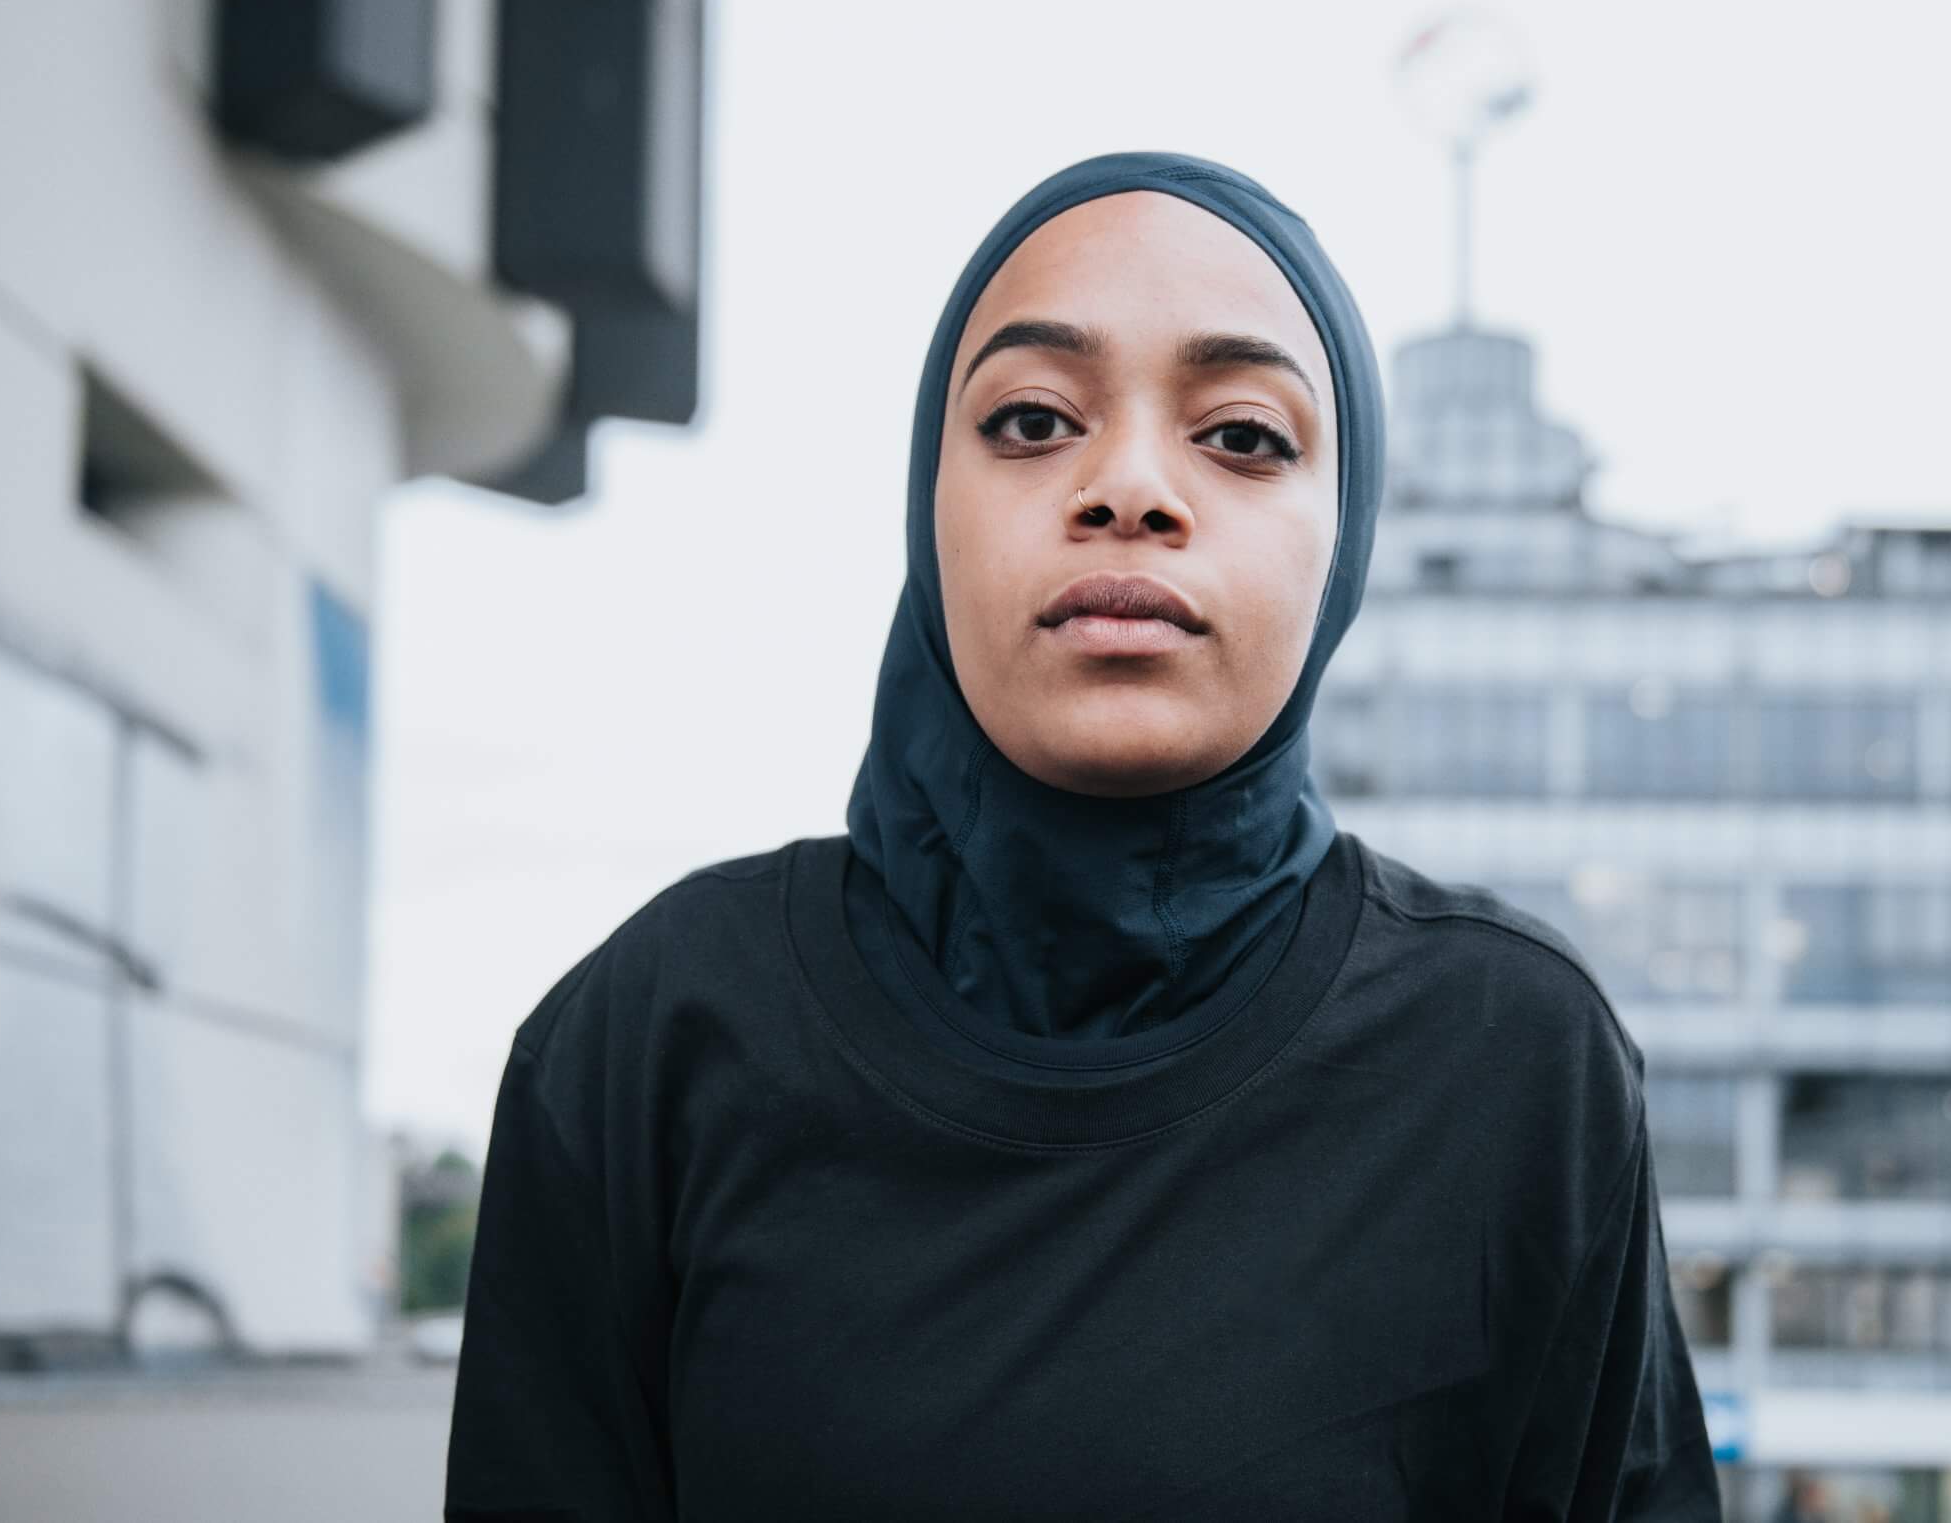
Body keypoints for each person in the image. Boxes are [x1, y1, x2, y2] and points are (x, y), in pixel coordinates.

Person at [443, 150, 1719, 1520]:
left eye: (1241, 437)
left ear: (1342, 544)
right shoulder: (652, 1039)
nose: (1129, 489)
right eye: (1035, 420)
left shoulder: (1514, 1061)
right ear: (927, 511)